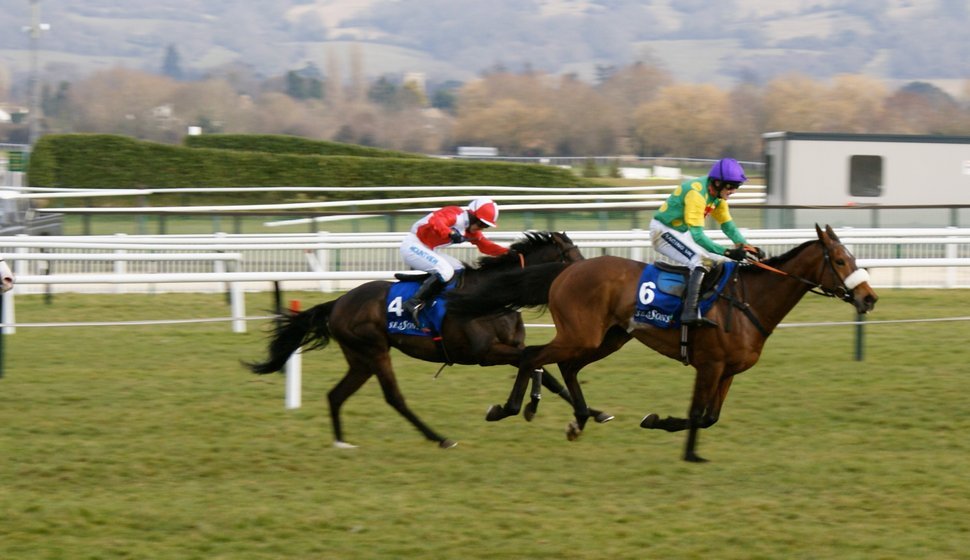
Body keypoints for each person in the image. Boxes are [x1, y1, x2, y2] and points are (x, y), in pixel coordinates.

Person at [649, 158, 764, 327]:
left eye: (737, 186)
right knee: (702, 261)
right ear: (718, 183)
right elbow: (698, 236)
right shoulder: (696, 194)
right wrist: (728, 252)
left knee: (718, 262)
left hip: (681, 232)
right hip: (663, 231)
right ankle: (689, 312)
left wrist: (745, 246)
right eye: (731, 186)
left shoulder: (717, 197)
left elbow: (727, 225)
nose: (734, 191)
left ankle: (704, 305)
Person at [399, 197, 509, 325]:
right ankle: (413, 303)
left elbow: (486, 245)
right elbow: (436, 221)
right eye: (482, 224)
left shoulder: (472, 232)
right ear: (473, 216)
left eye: (485, 226)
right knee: (445, 271)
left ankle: (434, 294)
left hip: (430, 249)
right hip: (413, 245)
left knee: (459, 268)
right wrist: (450, 232)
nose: (482, 228)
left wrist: (509, 253)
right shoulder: (455, 213)